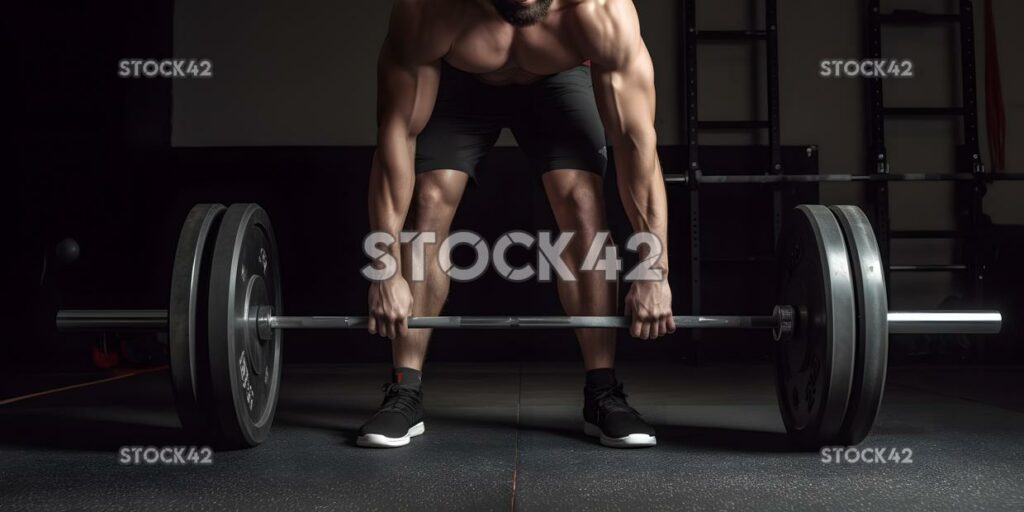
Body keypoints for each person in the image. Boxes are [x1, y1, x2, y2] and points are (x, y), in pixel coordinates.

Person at [361, 0, 674, 449]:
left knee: (583, 203)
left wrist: (653, 269)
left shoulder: (600, 12)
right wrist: (385, 266)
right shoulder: (430, 10)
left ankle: (603, 391)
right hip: (460, 82)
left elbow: (633, 144)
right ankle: (404, 388)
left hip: (559, 80)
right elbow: (396, 135)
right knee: (428, 202)